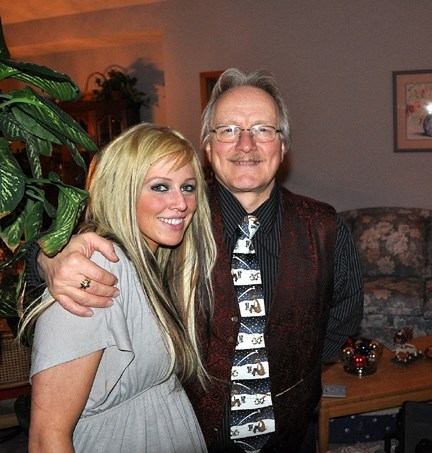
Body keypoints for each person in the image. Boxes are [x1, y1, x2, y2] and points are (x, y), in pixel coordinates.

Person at [27, 68, 363, 452]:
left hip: (289, 435)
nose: (246, 144)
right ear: (208, 147)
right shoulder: (174, 222)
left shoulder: (325, 227)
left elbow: (341, 320)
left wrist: (288, 367)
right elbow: (98, 243)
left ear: (282, 145)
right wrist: (46, 259)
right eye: (228, 130)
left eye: (263, 130)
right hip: (188, 433)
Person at [23, 123, 216, 452]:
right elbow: (47, 437)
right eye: (159, 187)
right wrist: (45, 256)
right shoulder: (98, 271)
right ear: (122, 191)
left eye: (188, 187)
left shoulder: (159, 264)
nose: (181, 203)